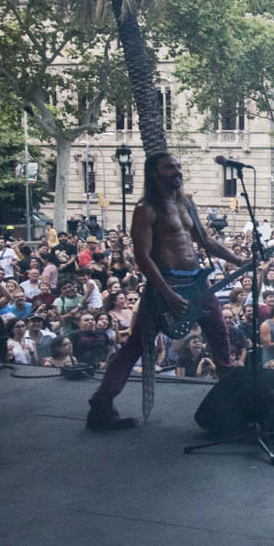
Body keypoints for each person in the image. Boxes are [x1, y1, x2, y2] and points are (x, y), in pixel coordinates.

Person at [86, 153, 240, 431]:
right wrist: (167, 293)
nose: (177, 171)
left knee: (220, 334)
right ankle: (101, 403)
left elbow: (205, 240)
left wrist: (238, 260)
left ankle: (234, 401)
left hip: (197, 280)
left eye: (178, 166)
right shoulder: (146, 209)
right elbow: (143, 257)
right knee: (137, 344)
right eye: (170, 167)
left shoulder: (186, 203)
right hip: (166, 282)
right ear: (154, 173)